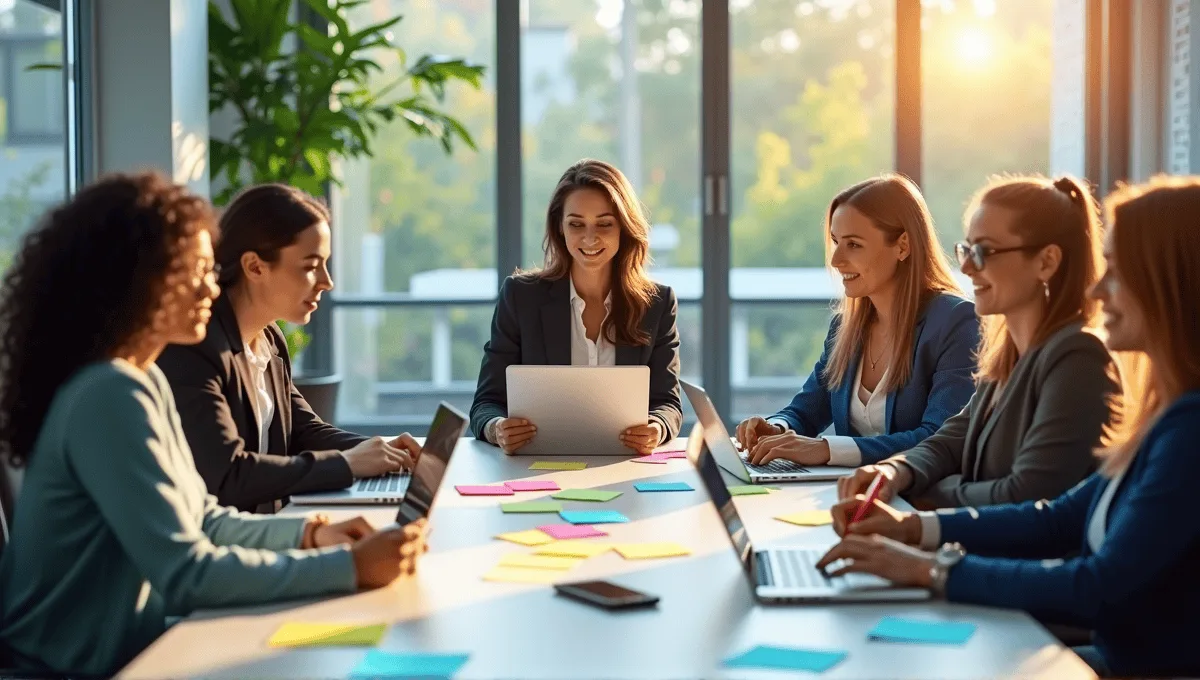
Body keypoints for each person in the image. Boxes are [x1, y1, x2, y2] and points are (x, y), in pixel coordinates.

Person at [0, 173, 428, 676]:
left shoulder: (141, 381)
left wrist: (313, 536)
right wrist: (349, 567)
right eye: (199, 269)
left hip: (135, 650)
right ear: (142, 278)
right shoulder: (108, 395)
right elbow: (186, 572)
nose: (213, 283)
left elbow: (204, 519)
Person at [817, 175, 1200, 678]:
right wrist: (907, 513)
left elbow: (1085, 570)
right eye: (967, 249)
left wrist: (927, 557)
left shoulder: (1177, 423)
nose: (1098, 288)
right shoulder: (1157, 415)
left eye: (1119, 272)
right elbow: (1055, 513)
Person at [838, 175, 1121, 509]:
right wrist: (893, 471)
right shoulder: (1009, 356)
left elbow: (1025, 495)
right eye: (967, 249)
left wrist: (921, 496)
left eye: (985, 251)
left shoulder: (1077, 359)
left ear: (1046, 261)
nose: (968, 267)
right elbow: (950, 440)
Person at [158, 184, 421, 513]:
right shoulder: (196, 348)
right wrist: (348, 464)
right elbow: (226, 475)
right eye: (311, 266)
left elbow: (302, 430)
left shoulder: (269, 339)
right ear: (255, 267)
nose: (327, 281)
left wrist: (382, 451)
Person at [735, 174, 979, 468]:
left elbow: (939, 438)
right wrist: (776, 429)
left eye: (853, 245)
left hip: (918, 501)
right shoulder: (845, 328)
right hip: (849, 495)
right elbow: (806, 412)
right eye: (836, 242)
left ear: (902, 246)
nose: (836, 260)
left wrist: (827, 450)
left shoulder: (956, 321)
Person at [469, 159, 682, 455]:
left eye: (604, 224)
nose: (590, 237)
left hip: (624, 467)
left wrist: (657, 428)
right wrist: (496, 428)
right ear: (560, 227)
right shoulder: (520, 296)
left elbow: (667, 403)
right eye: (576, 224)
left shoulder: (656, 304)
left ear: (624, 227)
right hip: (534, 466)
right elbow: (485, 403)